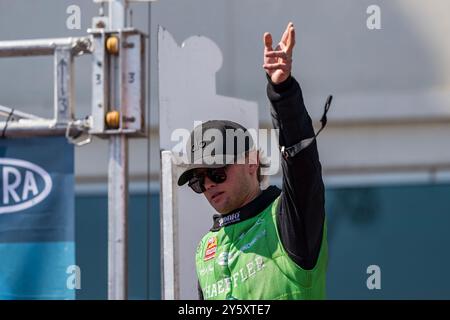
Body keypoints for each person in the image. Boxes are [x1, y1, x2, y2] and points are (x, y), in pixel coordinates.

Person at [177, 22, 328, 300]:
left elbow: (301, 161)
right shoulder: (206, 248)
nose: (209, 184)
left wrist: (282, 92)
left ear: (251, 161)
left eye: (217, 172)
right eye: (199, 180)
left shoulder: (289, 220)